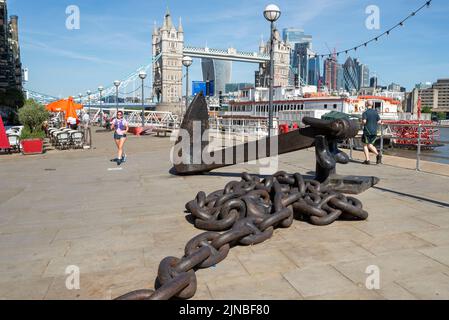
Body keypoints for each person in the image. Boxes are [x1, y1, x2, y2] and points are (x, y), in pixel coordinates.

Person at [362, 101, 382, 165]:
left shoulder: (365, 113)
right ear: (372, 105)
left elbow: (364, 121)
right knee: (370, 145)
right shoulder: (376, 113)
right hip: (374, 131)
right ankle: (378, 155)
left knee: (365, 145)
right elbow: (379, 122)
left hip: (367, 131)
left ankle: (367, 160)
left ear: (366, 104)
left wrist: (361, 122)